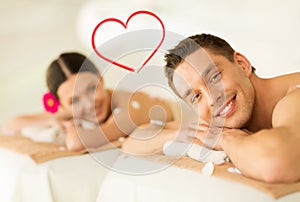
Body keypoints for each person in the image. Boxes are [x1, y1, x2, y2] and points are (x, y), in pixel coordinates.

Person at [163, 33, 300, 183]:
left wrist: (226, 139)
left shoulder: (294, 98)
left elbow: (274, 163)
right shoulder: (219, 119)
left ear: (242, 64)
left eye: (214, 77)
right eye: (196, 97)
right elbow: (138, 138)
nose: (212, 99)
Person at [2, 52, 174, 151]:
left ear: (100, 78)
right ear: (61, 104)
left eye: (92, 89)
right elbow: (10, 126)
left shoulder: (128, 106)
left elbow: (77, 142)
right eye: (74, 100)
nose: (89, 103)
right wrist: (54, 117)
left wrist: (69, 125)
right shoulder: (72, 109)